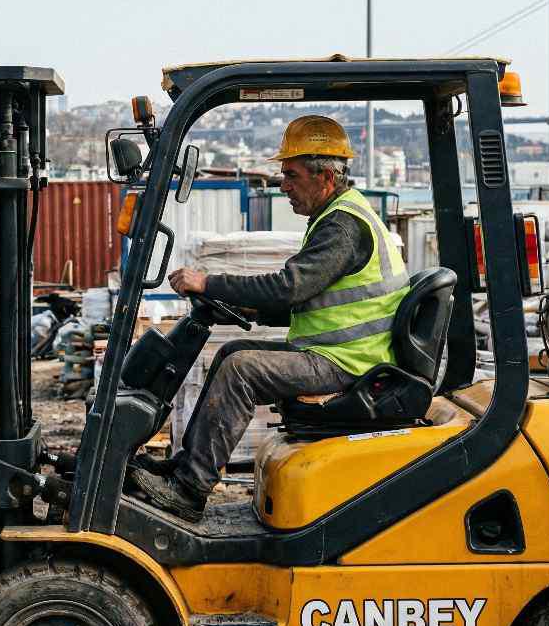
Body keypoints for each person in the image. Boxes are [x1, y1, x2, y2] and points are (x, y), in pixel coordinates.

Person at [126, 115, 408, 522]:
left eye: (291, 175)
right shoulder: (336, 217)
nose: (283, 185)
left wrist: (209, 282)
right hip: (340, 352)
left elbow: (288, 288)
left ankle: (188, 490)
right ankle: (185, 467)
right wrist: (247, 307)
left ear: (325, 177)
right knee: (234, 353)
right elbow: (308, 300)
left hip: (348, 361)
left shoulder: (343, 226)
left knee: (241, 370)